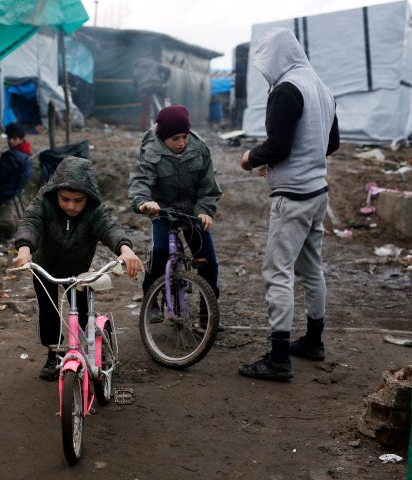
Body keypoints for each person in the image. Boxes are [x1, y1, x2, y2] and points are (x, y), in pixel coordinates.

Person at [238, 27, 340, 382]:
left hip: (293, 199)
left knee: (277, 272)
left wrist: (252, 157)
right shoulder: (321, 88)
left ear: (277, 56)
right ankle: (314, 341)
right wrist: (296, 160)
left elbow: (278, 145)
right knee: (312, 269)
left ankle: (279, 357)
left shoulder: (286, 90)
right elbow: (331, 144)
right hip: (317, 193)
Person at [13, 156, 144, 381]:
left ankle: (91, 349)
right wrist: (24, 248)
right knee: (49, 312)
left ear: (88, 198)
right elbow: (30, 222)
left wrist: (125, 249)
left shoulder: (94, 210)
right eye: (65, 199)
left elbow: (109, 227)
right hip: (46, 268)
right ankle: (53, 354)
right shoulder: (43, 201)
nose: (71, 206)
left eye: (78, 200)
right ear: (56, 193)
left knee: (83, 313)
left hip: (78, 271)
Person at [128, 105, 222, 325]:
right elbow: (140, 181)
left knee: (209, 261)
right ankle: (151, 299)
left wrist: (204, 212)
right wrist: (144, 203)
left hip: (192, 212)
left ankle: (208, 314)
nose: (181, 142)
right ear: (163, 138)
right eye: (175, 138)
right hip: (162, 210)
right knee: (161, 251)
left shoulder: (199, 148)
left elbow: (208, 188)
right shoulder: (150, 150)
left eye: (185, 136)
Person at [132, 51, 171, 131]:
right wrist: (164, 81)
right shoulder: (155, 63)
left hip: (144, 87)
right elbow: (168, 70)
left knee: (145, 109)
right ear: (151, 57)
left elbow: (135, 78)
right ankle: (171, 114)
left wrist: (137, 85)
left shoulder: (138, 66)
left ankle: (143, 128)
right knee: (166, 99)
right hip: (156, 85)